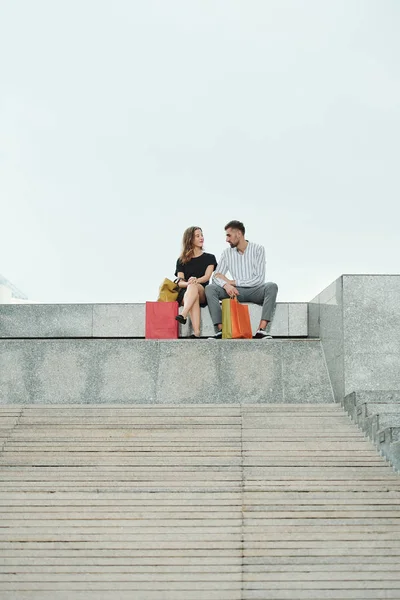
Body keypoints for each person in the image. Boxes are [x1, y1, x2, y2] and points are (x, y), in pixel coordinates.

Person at [205, 220, 278, 339]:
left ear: (239, 234)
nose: (227, 240)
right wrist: (226, 285)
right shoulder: (226, 253)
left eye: (229, 235)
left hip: (255, 291)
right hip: (233, 292)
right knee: (210, 288)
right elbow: (216, 276)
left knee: (272, 286)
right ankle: (222, 330)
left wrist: (232, 281)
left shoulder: (258, 249)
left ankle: (261, 330)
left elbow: (259, 279)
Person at [174, 226, 217, 338]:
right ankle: (196, 332)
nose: (201, 238)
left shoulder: (210, 258)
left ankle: (183, 314)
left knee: (194, 287)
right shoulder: (181, 260)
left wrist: (195, 280)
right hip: (187, 293)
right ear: (190, 239)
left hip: (202, 289)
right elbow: (180, 282)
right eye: (197, 236)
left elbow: (207, 277)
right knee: (193, 293)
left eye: (201, 235)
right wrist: (189, 283)